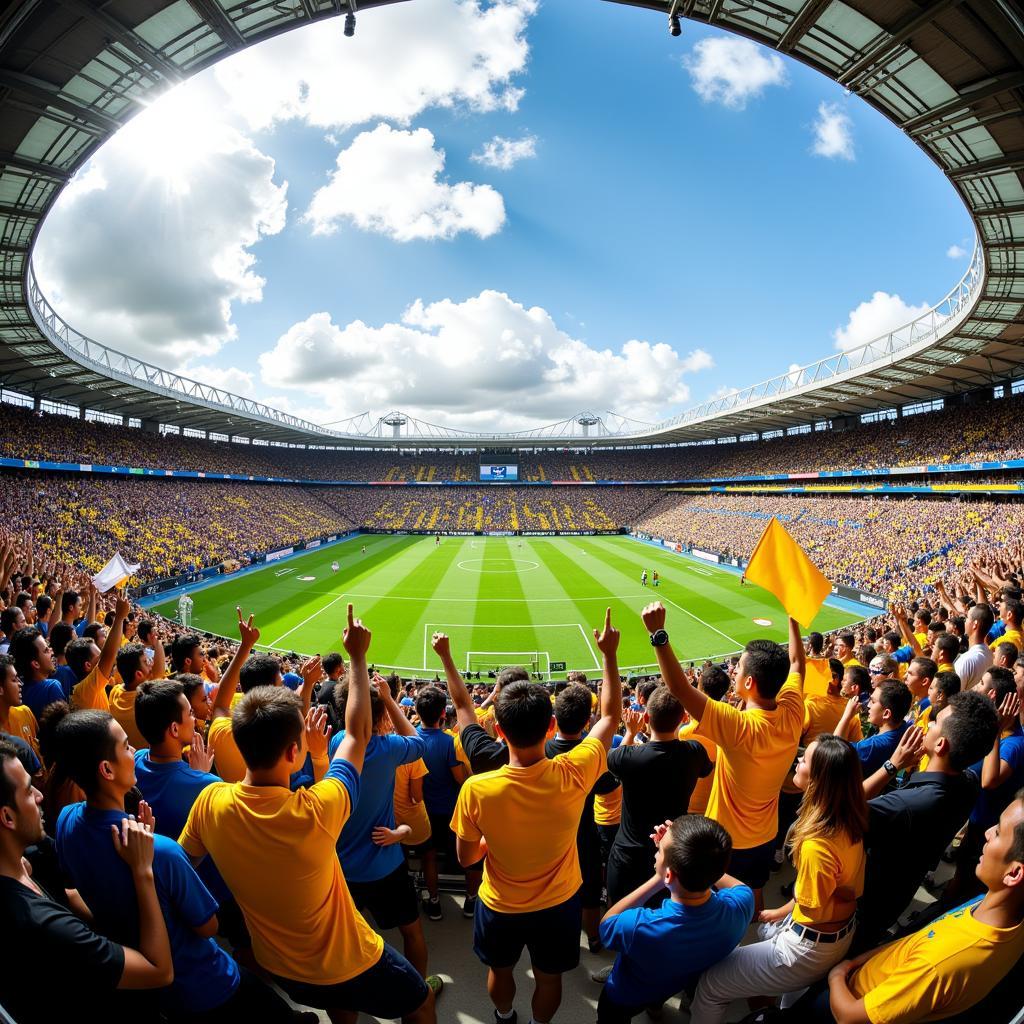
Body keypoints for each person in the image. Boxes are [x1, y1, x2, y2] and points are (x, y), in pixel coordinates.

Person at [179, 605, 435, 1024]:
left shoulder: (209, 802)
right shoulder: (318, 808)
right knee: (420, 1002)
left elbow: (182, 866)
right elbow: (357, 734)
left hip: (280, 969)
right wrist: (356, 655)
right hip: (345, 961)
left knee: (340, 1005)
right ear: (294, 751)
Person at [451, 608, 622, 1024]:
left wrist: (494, 843)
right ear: (550, 726)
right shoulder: (574, 773)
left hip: (500, 904)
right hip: (558, 903)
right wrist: (609, 655)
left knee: (500, 970)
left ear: (501, 731)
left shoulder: (477, 789)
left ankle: (504, 1015)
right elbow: (610, 718)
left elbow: (467, 859)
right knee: (549, 979)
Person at [50, 707, 267, 1021]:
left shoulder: (65, 820)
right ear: (107, 770)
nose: (134, 750)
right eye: (125, 746)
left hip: (153, 993)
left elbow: (74, 889)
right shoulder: (162, 852)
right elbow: (209, 927)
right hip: (206, 984)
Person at [691, 733, 868, 1021]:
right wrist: (784, 910)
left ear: (819, 779)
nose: (799, 761)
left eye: (806, 759)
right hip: (835, 937)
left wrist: (795, 905)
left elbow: (813, 906)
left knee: (711, 984)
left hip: (807, 946)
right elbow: (843, 893)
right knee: (788, 1005)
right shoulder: (848, 820)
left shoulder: (816, 845)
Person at [641, 602, 805, 910]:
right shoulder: (794, 711)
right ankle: (758, 933)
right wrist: (793, 619)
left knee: (715, 905)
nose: (733, 670)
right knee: (755, 890)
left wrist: (658, 635)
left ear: (748, 683)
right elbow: (797, 663)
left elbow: (678, 687)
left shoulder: (738, 726)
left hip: (727, 842)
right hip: (766, 834)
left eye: (738, 668)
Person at [0, 741, 175, 1023]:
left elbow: (66, 893)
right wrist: (143, 871)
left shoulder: (26, 861)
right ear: (7, 817)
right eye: (28, 790)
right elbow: (159, 970)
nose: (39, 796)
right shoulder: (42, 925)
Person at [816, 794, 1024, 1024]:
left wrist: (837, 974)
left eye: (998, 832)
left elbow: (849, 1017)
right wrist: (855, 963)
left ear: (1014, 874)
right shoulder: (1002, 914)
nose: (987, 832)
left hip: (844, 1002)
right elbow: (917, 940)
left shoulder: (942, 961)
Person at [853, 691, 999, 953]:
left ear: (941, 744)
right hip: (900, 893)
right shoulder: (968, 783)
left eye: (935, 722)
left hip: (864, 901)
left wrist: (891, 765)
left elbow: (843, 811)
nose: (928, 725)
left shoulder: (908, 804)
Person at [330, 674, 442, 996]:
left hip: (344, 868)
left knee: (346, 938)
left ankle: (351, 996)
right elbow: (419, 743)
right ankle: (419, 993)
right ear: (380, 715)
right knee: (412, 932)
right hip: (386, 865)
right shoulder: (389, 747)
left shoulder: (338, 743)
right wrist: (390, 700)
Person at [598, 815, 753, 1024]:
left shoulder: (638, 927)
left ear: (669, 876)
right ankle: (655, 1006)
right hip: (675, 982)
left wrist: (658, 878)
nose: (657, 853)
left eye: (659, 852)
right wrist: (687, 850)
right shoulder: (741, 905)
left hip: (625, 996)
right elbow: (734, 884)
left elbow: (607, 924)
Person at [605, 686, 711, 907]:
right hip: (671, 854)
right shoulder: (694, 751)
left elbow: (617, 761)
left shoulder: (629, 757)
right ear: (683, 718)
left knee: (621, 921)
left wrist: (631, 732)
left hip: (628, 856)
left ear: (646, 717)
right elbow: (706, 770)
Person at [545, 682, 620, 953]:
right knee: (589, 893)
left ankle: (560, 940)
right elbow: (609, 786)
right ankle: (594, 938)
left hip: (551, 838)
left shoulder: (541, 752)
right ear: (587, 720)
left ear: (554, 719)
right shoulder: (590, 757)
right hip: (586, 835)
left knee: (556, 893)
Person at [414, 684, 471, 921]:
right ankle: (471, 900)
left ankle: (434, 902)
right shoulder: (449, 742)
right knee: (465, 855)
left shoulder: (411, 739)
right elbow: (459, 779)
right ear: (442, 714)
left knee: (428, 856)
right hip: (449, 811)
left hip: (424, 812)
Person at [835, 679, 912, 777]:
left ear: (886, 714)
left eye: (873, 701)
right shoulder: (903, 728)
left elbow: (834, 751)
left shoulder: (872, 746)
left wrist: (846, 716)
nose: (868, 705)